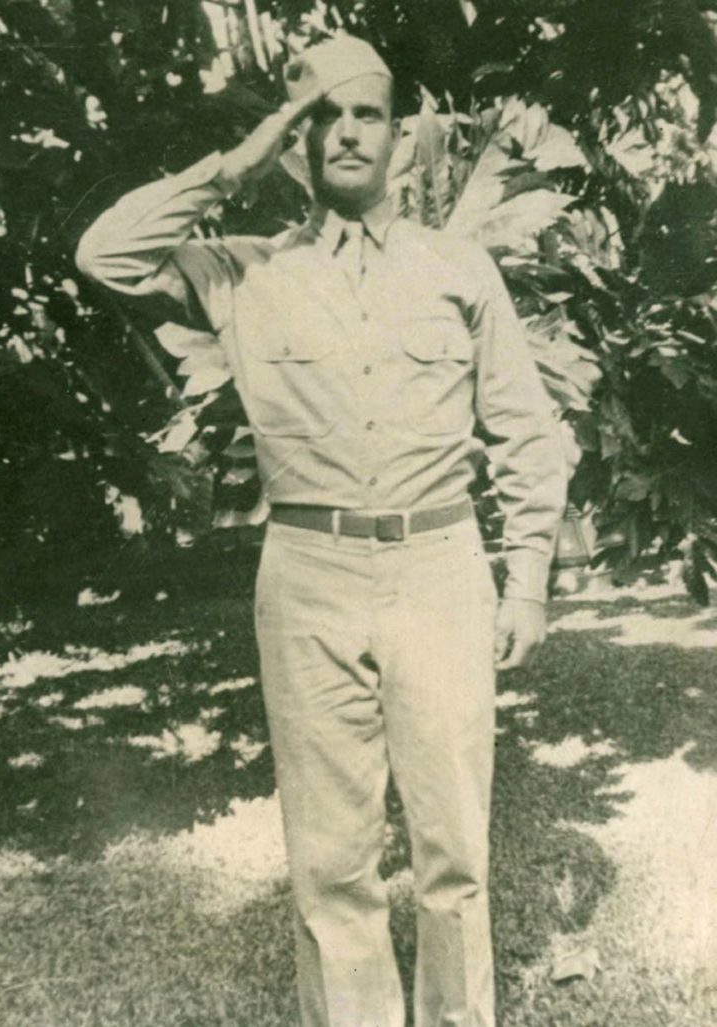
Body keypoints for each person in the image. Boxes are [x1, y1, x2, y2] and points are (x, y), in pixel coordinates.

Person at [76, 32, 567, 1027]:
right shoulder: (242, 273)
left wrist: (526, 580)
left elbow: (527, 430)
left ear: (395, 135)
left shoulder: (458, 267)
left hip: (439, 567)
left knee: (453, 851)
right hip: (306, 575)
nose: (346, 134)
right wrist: (234, 164)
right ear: (294, 143)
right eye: (320, 118)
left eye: (365, 114)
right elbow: (102, 254)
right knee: (331, 861)